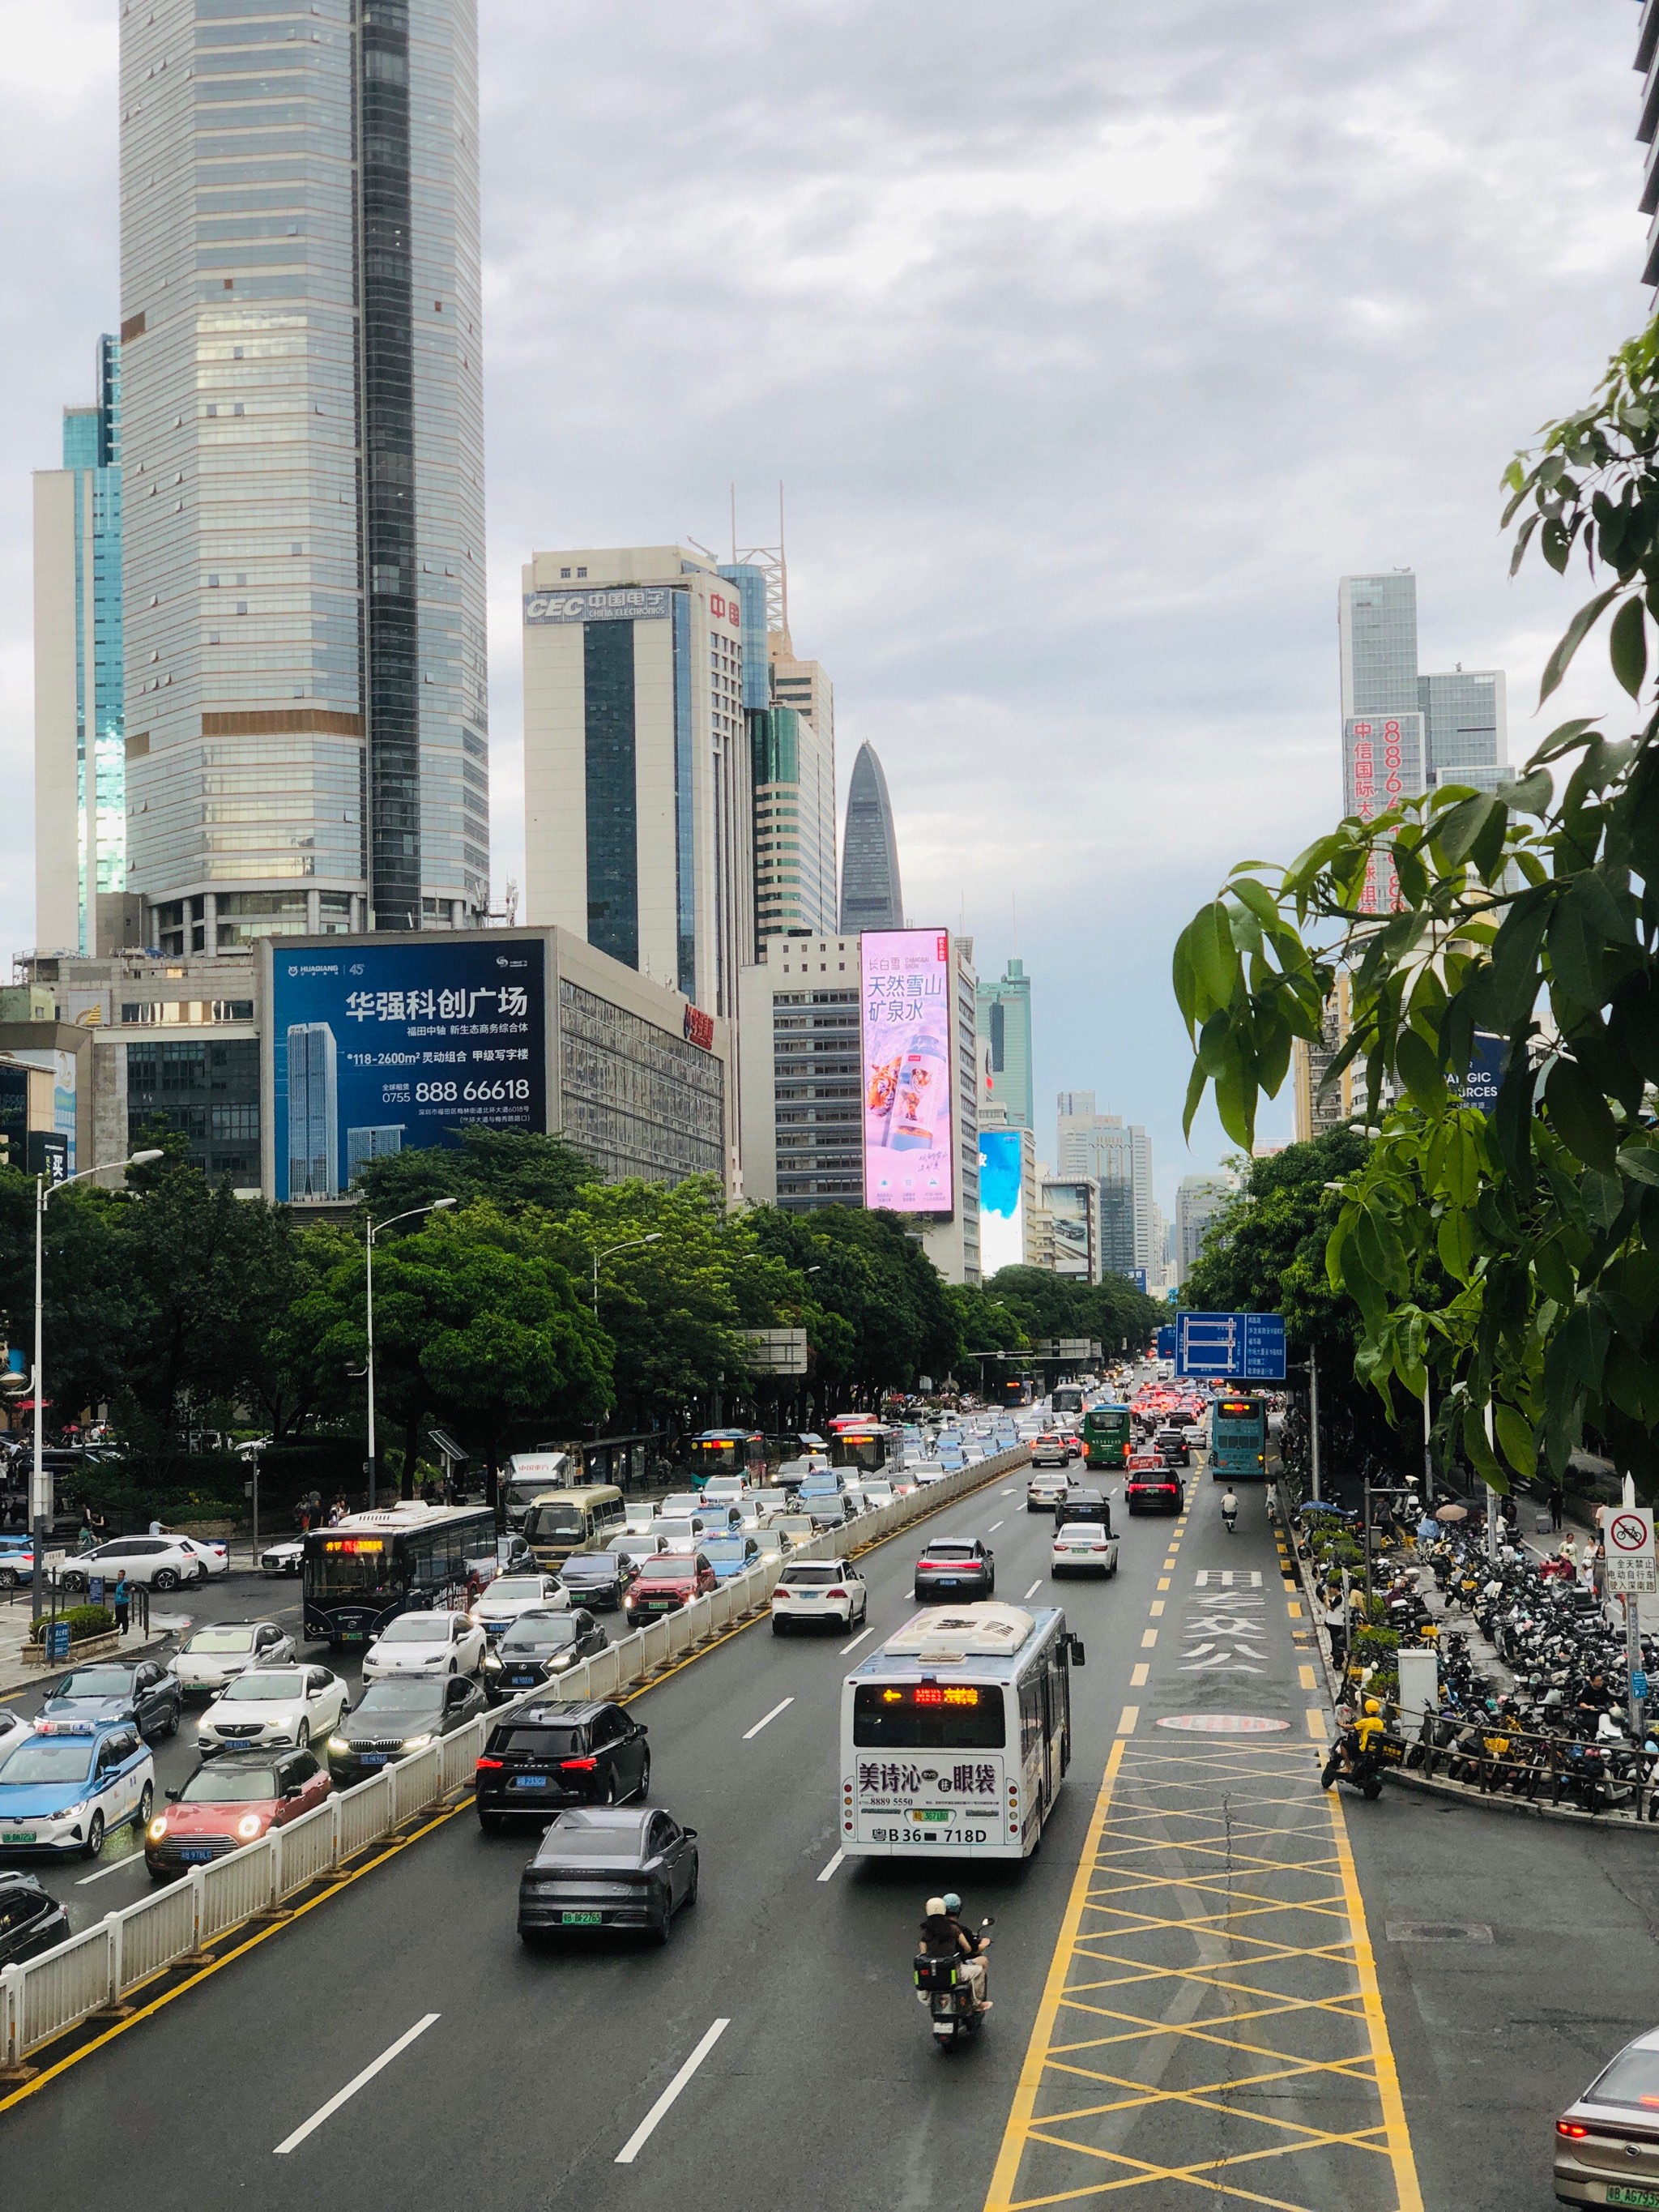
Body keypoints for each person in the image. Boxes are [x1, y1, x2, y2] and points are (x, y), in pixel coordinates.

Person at [112, 1571, 130, 1636]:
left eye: (120, 1575)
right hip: (118, 1602)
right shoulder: (119, 1583)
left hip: (123, 1602)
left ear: (123, 1576)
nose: (118, 1576)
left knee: (123, 1617)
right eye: (118, 1575)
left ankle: (125, 1631)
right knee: (118, 1617)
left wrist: (126, 1593)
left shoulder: (125, 1583)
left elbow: (131, 1588)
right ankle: (116, 1628)